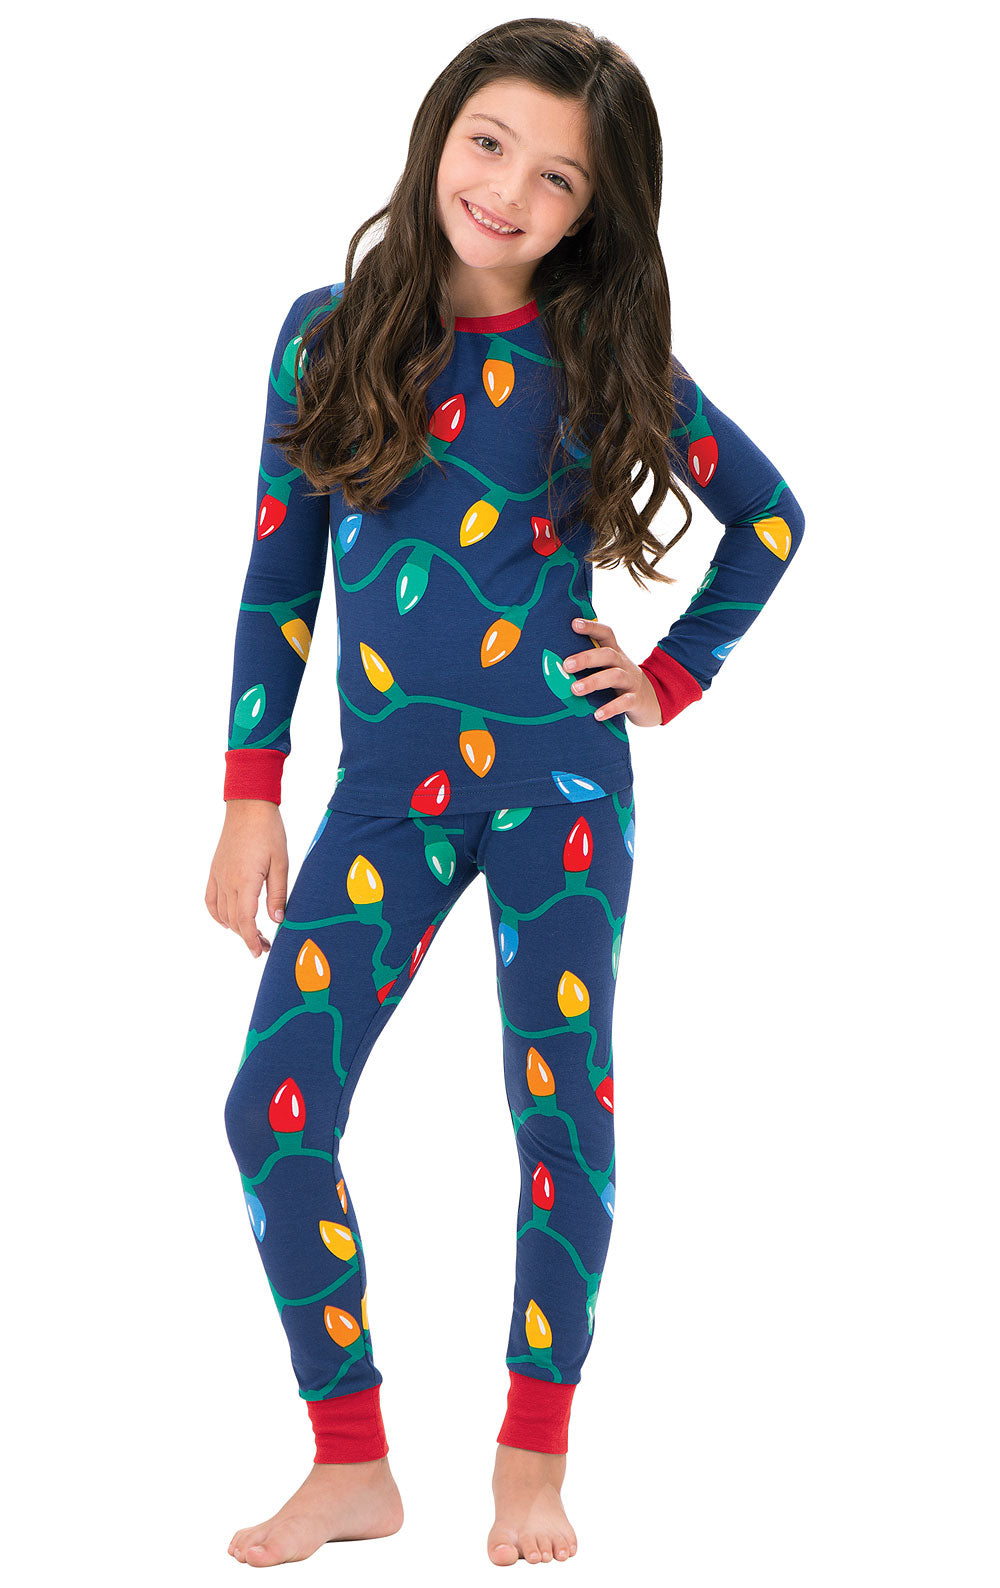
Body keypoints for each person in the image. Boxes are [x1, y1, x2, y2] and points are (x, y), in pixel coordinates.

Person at [205, 17, 805, 1570]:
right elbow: (277, 579)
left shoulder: (599, 356)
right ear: (440, 132)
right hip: (385, 799)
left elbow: (771, 520)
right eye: (491, 144)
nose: (510, 192)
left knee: (560, 1113)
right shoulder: (327, 335)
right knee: (270, 1114)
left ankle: (532, 1461)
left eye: (559, 178)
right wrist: (251, 794)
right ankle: (352, 1460)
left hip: (560, 789)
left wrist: (670, 678)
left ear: (593, 211)